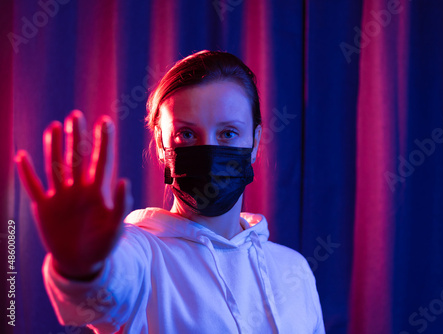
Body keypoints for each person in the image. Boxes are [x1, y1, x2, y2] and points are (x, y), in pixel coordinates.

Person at [15, 50, 325, 333]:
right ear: (162, 147)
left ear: (255, 142)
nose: (209, 149)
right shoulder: (139, 253)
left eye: (228, 133)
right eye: (186, 134)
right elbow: (99, 296)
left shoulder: (293, 268)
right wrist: (83, 267)